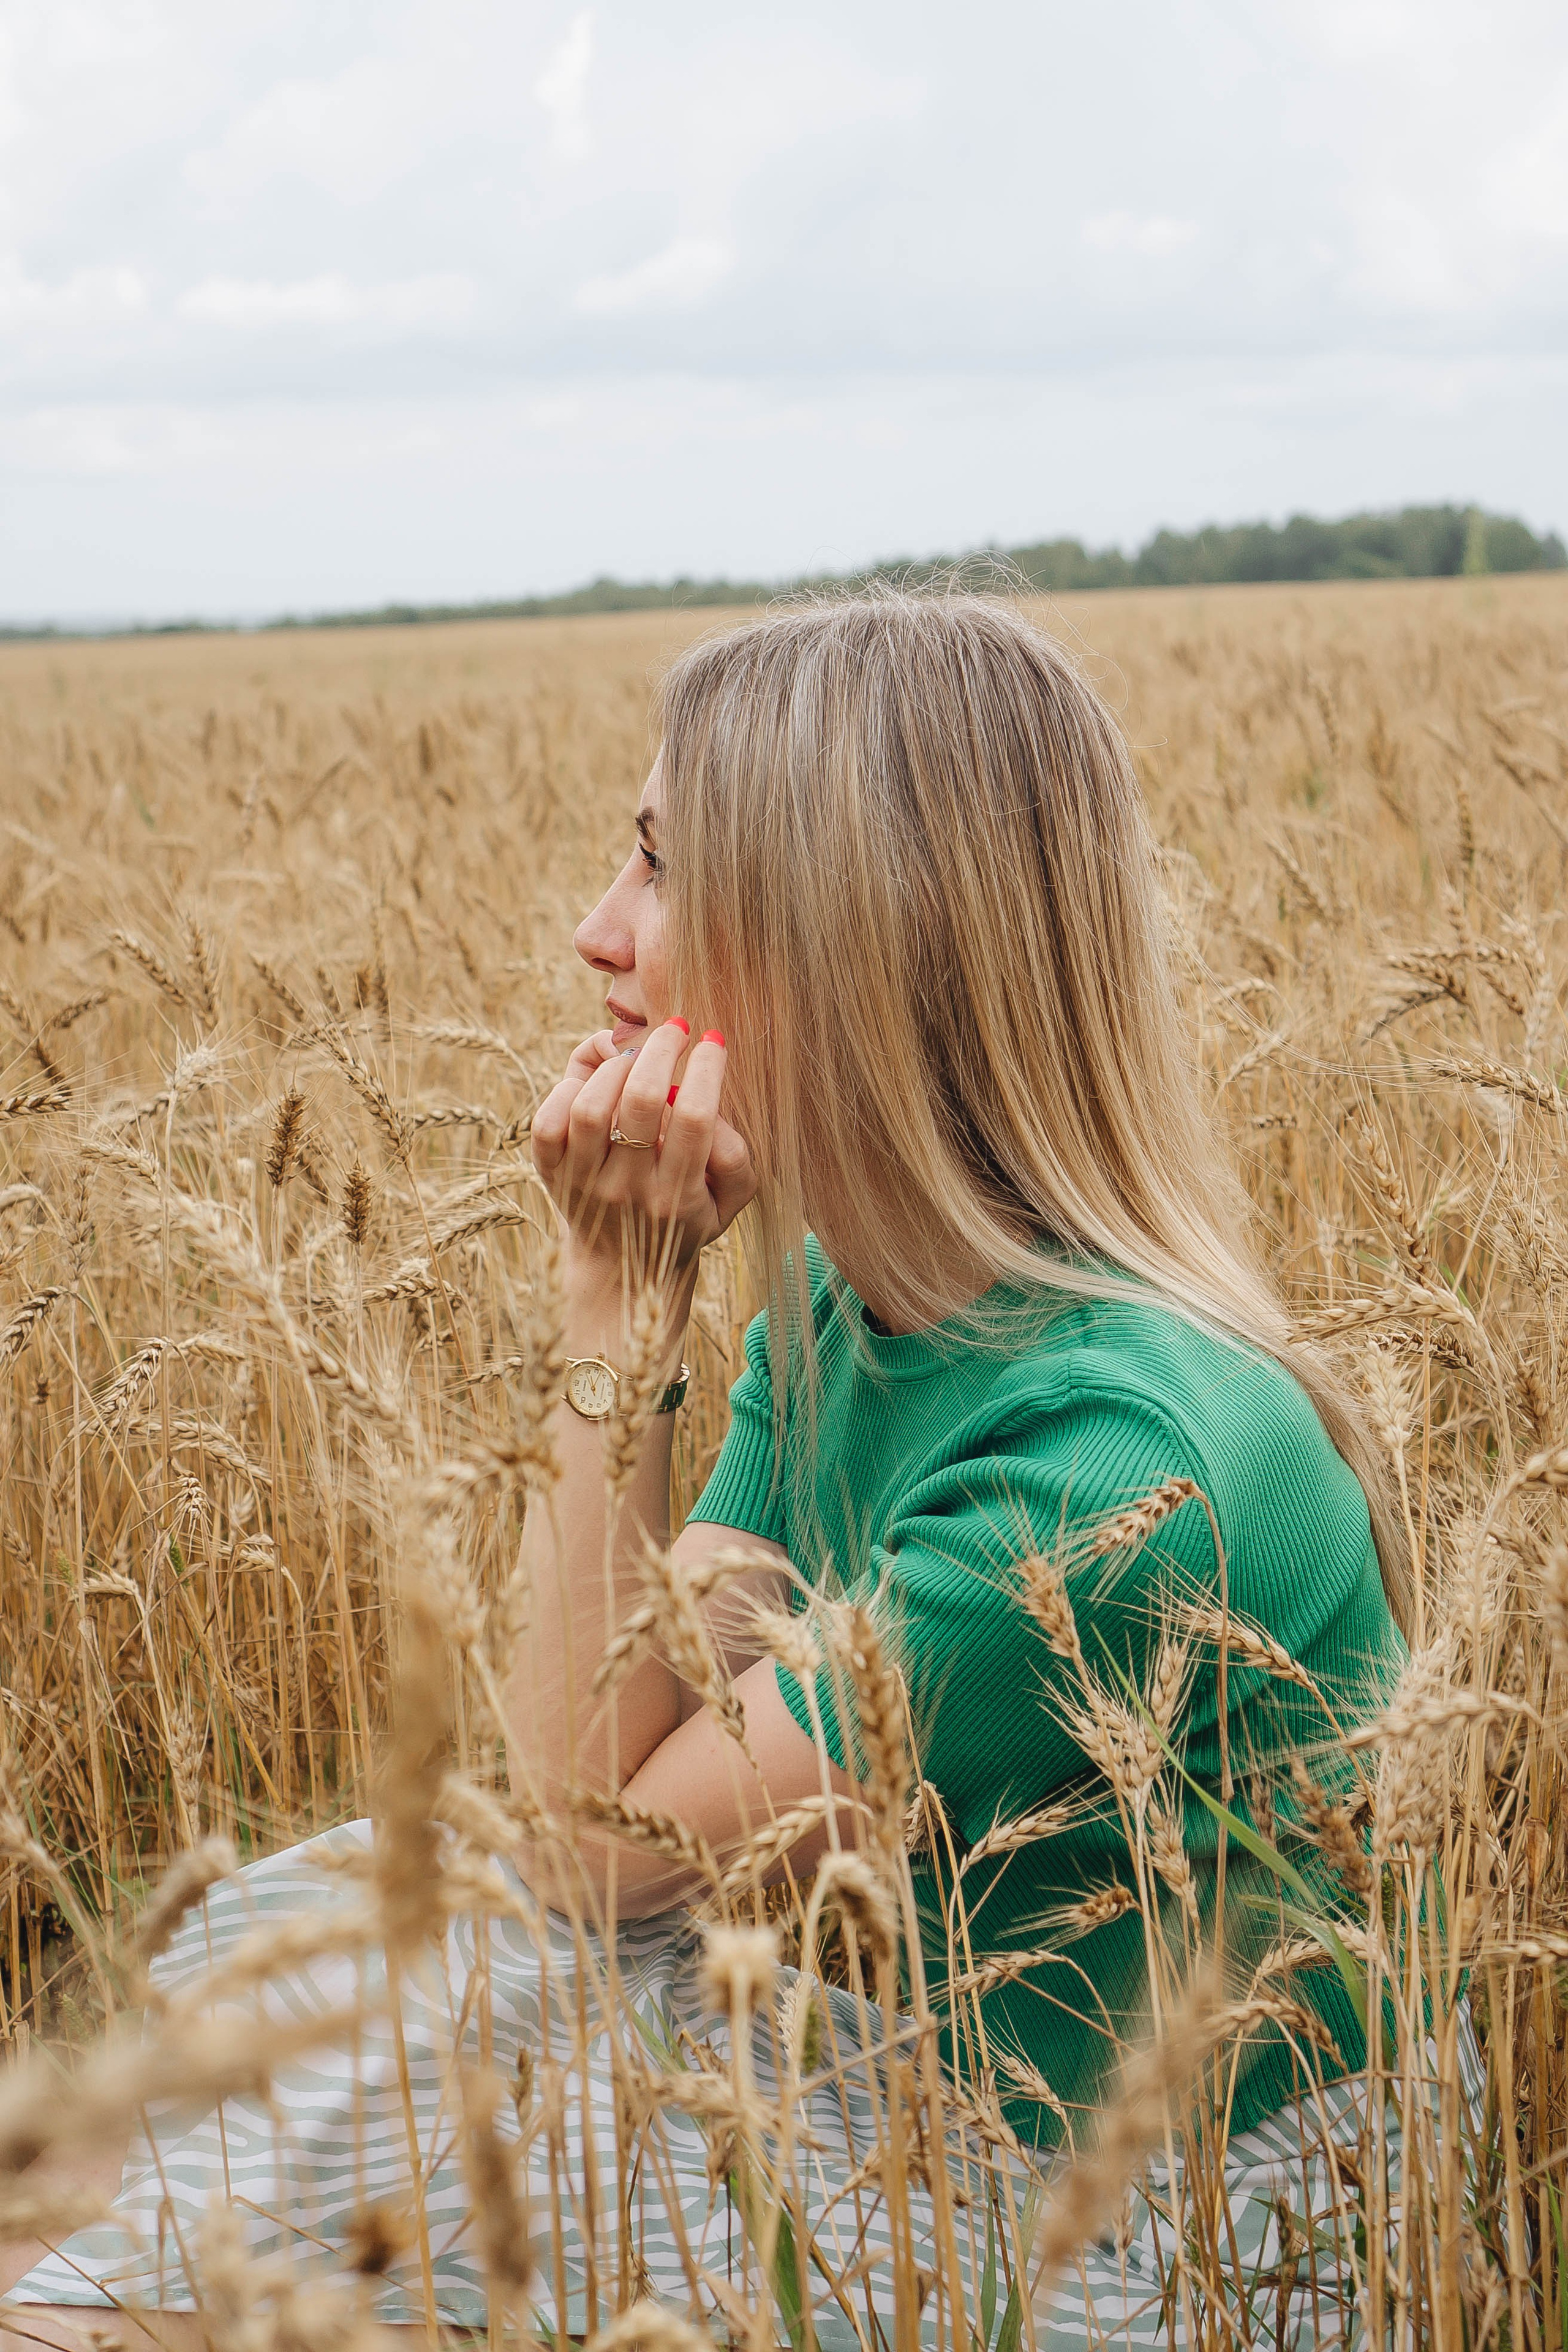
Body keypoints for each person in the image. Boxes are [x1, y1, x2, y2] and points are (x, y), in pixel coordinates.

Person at [3, 594, 1410, 2347]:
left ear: (844, 945)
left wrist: (615, 1303)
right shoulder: (853, 1306)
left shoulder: (1115, 1467)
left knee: (396, 2078)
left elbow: (585, 1855)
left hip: (1179, 2248)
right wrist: (659, 1307)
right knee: (369, 1944)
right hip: (937, 2109)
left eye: (663, 872)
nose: (600, 933)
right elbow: (598, 1775)